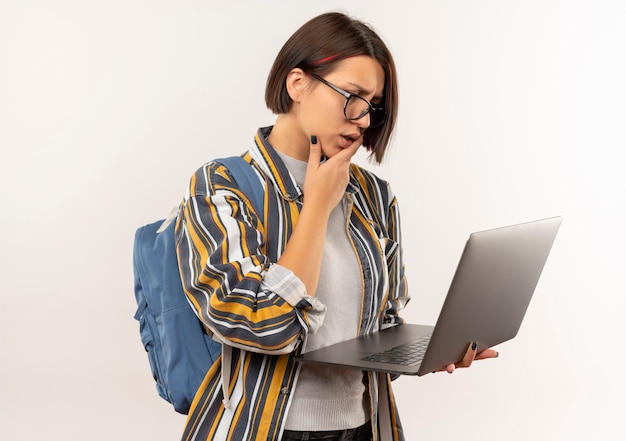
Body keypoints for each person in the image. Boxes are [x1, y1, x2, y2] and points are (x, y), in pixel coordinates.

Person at [175, 11, 497, 441]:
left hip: (364, 427)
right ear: (297, 83)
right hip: (261, 428)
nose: (364, 119)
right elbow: (261, 324)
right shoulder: (220, 186)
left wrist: (430, 351)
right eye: (352, 96)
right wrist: (317, 206)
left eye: (372, 105)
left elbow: (379, 325)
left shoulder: (374, 195)